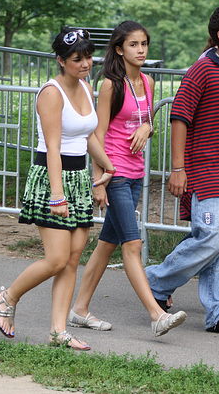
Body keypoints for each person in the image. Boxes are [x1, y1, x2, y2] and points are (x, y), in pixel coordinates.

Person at [0, 27, 116, 350]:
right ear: (61, 61)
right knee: (57, 259)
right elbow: (52, 148)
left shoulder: (86, 87)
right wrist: (56, 194)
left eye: (89, 56)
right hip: (53, 178)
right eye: (77, 59)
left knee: (73, 258)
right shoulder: (51, 93)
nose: (86, 63)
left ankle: (58, 332)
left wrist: (108, 165)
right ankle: (8, 297)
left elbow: (88, 134)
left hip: (78, 179)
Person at [144, 4, 219, 336]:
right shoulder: (202, 70)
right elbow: (179, 116)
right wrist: (178, 168)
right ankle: (154, 281)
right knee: (211, 239)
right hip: (209, 175)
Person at [68, 21, 187, 337]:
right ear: (119, 49)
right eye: (134, 44)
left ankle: (79, 310)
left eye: (144, 44)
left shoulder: (147, 82)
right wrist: (99, 179)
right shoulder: (110, 83)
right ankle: (156, 314)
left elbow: (146, 121)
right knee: (132, 245)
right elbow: (98, 132)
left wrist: (149, 128)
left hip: (136, 174)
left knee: (107, 244)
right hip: (115, 173)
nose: (141, 50)